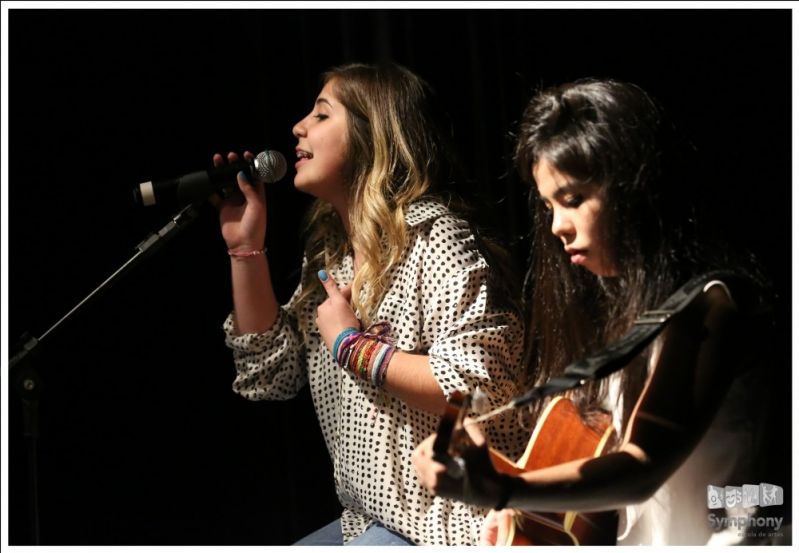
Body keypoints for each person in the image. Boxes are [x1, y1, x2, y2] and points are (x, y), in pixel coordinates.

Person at [412, 79, 776, 545]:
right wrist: (519, 507)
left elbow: (642, 466)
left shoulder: (713, 304)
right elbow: (598, 449)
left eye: (573, 199)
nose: (557, 226)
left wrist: (503, 490)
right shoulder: (623, 310)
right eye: (548, 206)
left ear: (636, 185)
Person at [214, 62, 529, 545]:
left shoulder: (434, 237)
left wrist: (351, 345)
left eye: (322, 115)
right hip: (369, 519)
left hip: (450, 524)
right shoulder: (331, 255)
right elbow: (270, 377)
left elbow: (480, 385)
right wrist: (245, 250)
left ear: (372, 134)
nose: (298, 127)